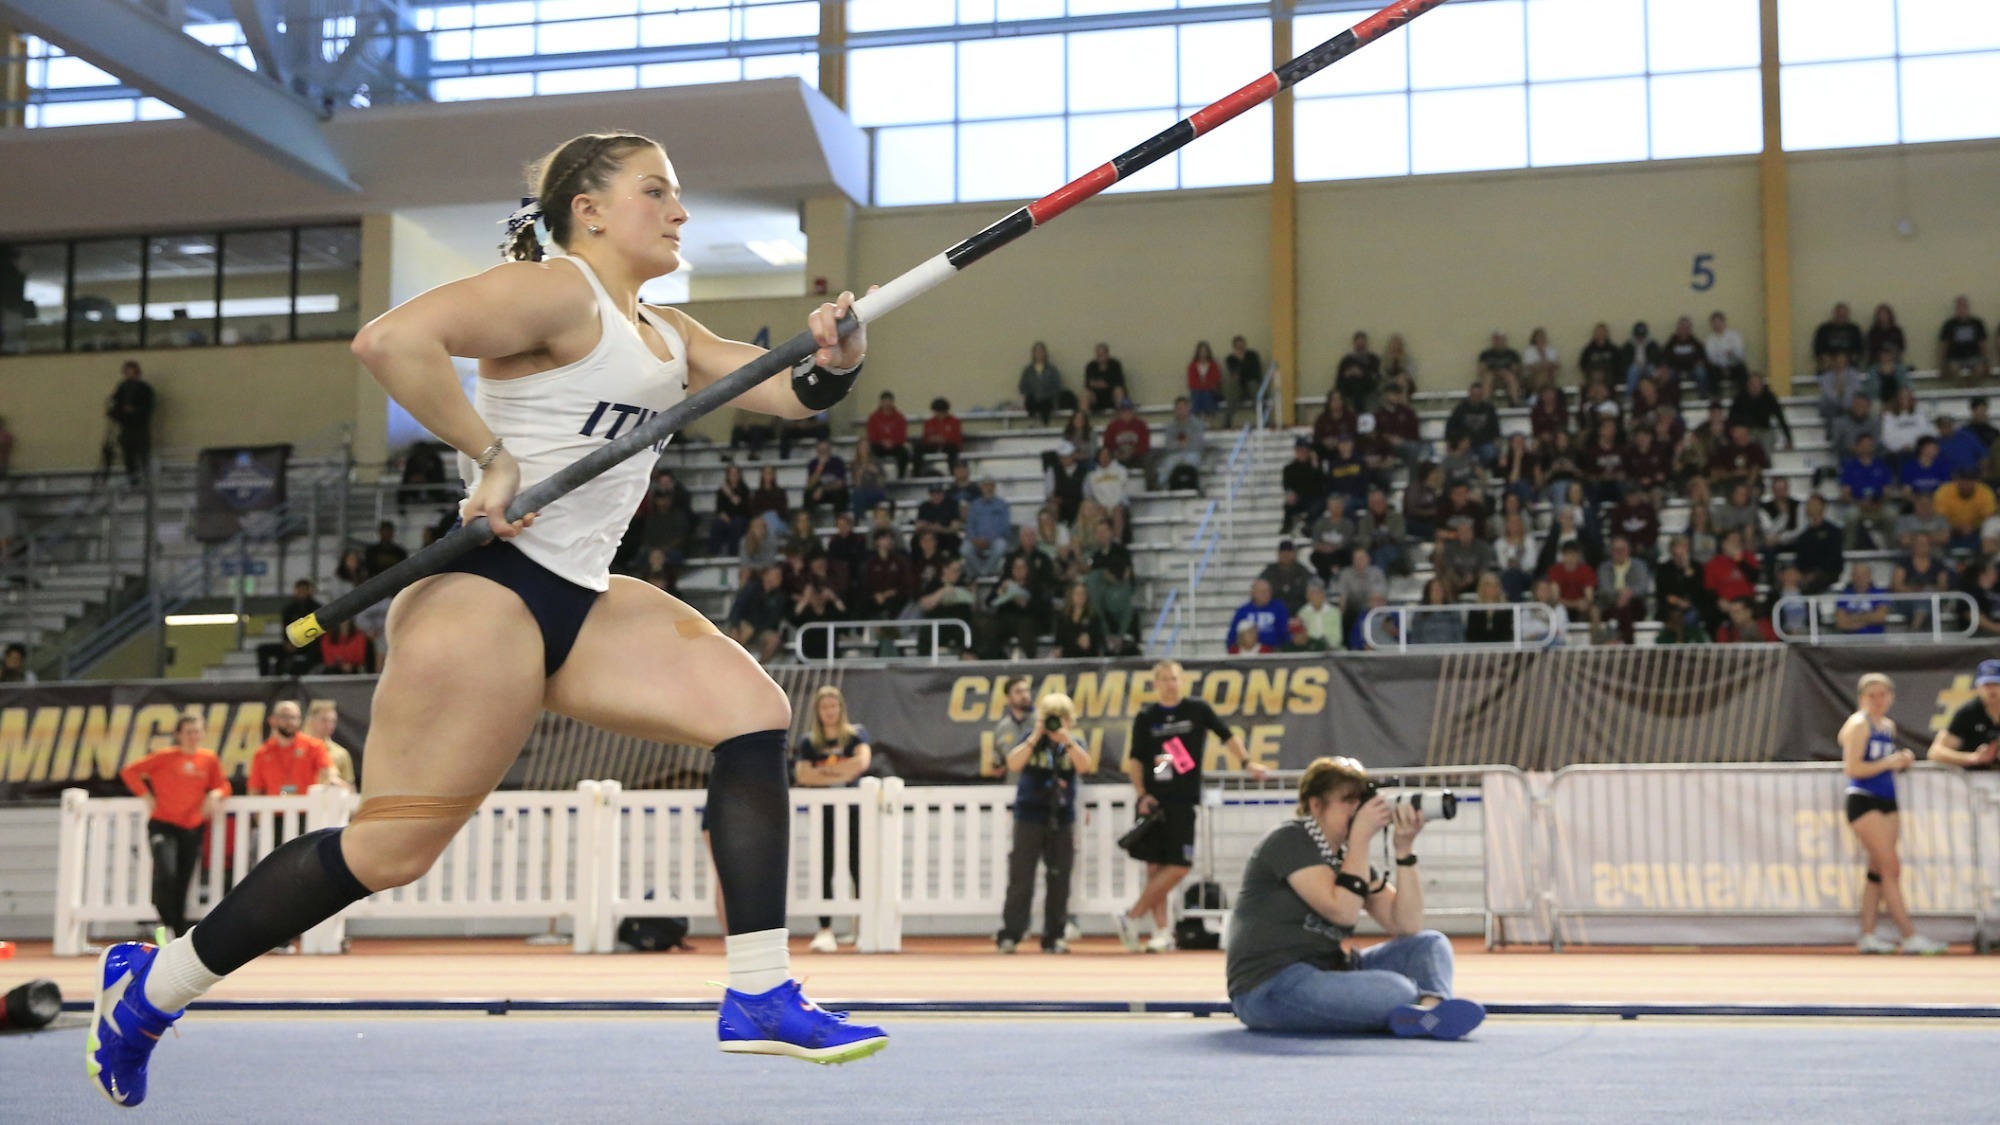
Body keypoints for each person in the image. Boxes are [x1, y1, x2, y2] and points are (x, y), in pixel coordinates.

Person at [87, 133, 887, 1109]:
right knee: (389, 852)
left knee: (752, 715)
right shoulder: (556, 292)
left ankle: (759, 990)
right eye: (656, 191)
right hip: (491, 591)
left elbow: (786, 389)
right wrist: (488, 455)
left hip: (584, 594)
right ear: (588, 210)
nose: (679, 212)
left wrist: (836, 358)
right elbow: (389, 341)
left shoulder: (670, 335)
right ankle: (153, 988)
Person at [1227, 756, 1483, 1038]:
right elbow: (1343, 911)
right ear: (1315, 805)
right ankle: (1419, 1008)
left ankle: (1430, 1011)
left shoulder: (1348, 859)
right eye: (1348, 800)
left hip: (1329, 971)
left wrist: (1404, 850)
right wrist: (1360, 838)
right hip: (1270, 986)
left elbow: (1406, 925)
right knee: (1396, 990)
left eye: (1361, 800)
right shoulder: (1290, 840)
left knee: (1429, 945)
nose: (1358, 809)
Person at [1118, 661, 1266, 953]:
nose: (1170, 683)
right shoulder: (1147, 716)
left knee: (1179, 866)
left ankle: (1132, 915)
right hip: (1153, 802)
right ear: (1156, 683)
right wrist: (1141, 794)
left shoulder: (1197, 709)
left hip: (1183, 800)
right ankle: (1161, 932)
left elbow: (1226, 735)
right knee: (1155, 866)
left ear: (1182, 681)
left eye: (1174, 678)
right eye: (1164, 679)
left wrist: (1247, 762)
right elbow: (1136, 759)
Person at [1840, 674, 1949, 955]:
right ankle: (1909, 934)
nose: (1878, 700)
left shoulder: (1887, 726)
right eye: (1872, 695)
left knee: (1877, 869)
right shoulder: (1858, 724)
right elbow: (1853, 768)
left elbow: (1880, 763)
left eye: (1883, 694)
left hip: (1887, 799)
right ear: (1862, 698)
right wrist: (1889, 761)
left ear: (1891, 696)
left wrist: (1900, 761)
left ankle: (1868, 934)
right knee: (1891, 867)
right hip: (1864, 800)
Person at [119, 713, 232, 939]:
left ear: (203, 734)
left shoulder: (208, 759)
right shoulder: (165, 756)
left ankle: (177, 929)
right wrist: (146, 795)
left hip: (191, 827)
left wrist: (216, 794)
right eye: (188, 732)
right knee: (166, 871)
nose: (193, 736)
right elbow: (129, 772)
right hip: (164, 824)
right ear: (178, 734)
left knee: (183, 878)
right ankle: (168, 921)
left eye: (197, 731)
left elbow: (223, 784)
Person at [996, 690, 1091, 955]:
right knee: (1021, 877)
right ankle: (1011, 934)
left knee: (1059, 878)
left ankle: (1054, 936)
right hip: (1029, 815)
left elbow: (1084, 766)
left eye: (1061, 717)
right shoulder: (1030, 739)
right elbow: (1013, 763)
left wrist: (1066, 740)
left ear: (1070, 719)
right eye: (1051, 717)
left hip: (1061, 817)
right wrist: (1036, 736)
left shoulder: (1074, 741)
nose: (1055, 723)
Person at [792, 686, 872, 954]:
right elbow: (803, 775)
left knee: (857, 864)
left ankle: (862, 928)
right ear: (818, 711)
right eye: (824, 707)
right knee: (825, 865)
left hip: (853, 810)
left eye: (834, 707)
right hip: (824, 811)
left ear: (841, 709)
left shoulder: (855, 734)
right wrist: (840, 772)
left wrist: (824, 771)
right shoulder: (809, 742)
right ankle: (825, 929)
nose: (830, 712)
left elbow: (860, 764)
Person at [245, 700, 333, 798]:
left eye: (294, 717)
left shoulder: (314, 746)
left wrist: (331, 779)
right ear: (273, 720)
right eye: (285, 717)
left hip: (307, 809)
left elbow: (328, 771)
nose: (291, 722)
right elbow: (255, 789)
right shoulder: (262, 753)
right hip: (274, 810)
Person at [1927, 658, 2000, 770]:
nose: (1991, 690)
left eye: (1996, 684)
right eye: (1986, 685)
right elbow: (1936, 752)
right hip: (1974, 779)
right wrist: (1973, 758)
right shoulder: (1969, 712)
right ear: (1978, 687)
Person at [107, 359, 156, 485]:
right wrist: (120, 411)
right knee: (128, 457)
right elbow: (114, 405)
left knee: (143, 455)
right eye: (127, 372)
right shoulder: (122, 388)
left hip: (140, 427)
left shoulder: (145, 389)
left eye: (132, 372)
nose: (129, 375)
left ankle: (146, 481)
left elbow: (148, 408)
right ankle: (132, 482)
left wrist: (135, 410)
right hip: (126, 427)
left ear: (137, 373)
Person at [304, 700, 357, 789]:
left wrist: (337, 782)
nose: (329, 725)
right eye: (324, 720)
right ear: (311, 721)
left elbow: (350, 787)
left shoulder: (341, 753)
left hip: (329, 800)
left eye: (333, 721)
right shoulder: (299, 748)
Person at [1937, 295, 1990, 383]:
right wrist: (1941, 365)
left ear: (1968, 307)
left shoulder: (1977, 323)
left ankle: (1971, 391)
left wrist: (1987, 363)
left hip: (1974, 357)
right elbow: (1944, 346)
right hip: (1954, 358)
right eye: (1959, 307)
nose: (1962, 309)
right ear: (1955, 309)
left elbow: (1983, 344)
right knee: (1953, 370)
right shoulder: (1949, 324)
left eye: (1964, 306)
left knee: (1979, 369)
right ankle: (1960, 392)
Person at [864, 390, 911, 478]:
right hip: (879, 446)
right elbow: (871, 435)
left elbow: (902, 435)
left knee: (904, 453)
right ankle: (877, 476)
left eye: (889, 401)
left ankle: (901, 477)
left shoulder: (900, 417)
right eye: (885, 401)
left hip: (895, 446)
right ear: (881, 402)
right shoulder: (873, 417)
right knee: (871, 452)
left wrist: (893, 442)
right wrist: (882, 442)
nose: (887, 404)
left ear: (892, 402)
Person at [917, 396, 962, 477]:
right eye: (937, 412)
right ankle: (916, 474)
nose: (939, 414)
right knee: (918, 448)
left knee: (953, 449)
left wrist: (945, 440)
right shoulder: (929, 422)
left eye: (941, 412)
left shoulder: (954, 422)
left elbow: (957, 439)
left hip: (948, 446)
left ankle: (953, 474)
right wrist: (932, 439)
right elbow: (925, 438)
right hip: (933, 446)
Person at [1083, 342, 1127, 415]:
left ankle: (1120, 418)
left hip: (1111, 396)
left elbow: (1119, 382)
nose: (1099, 357)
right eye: (1098, 355)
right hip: (1096, 397)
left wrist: (1105, 384)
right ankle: (1086, 420)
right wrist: (1099, 384)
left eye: (1102, 354)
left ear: (1107, 354)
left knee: (1119, 391)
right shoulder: (1091, 366)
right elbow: (1087, 383)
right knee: (1084, 394)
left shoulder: (1115, 365)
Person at [1186, 340, 1222, 419]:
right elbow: (1192, 383)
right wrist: (1204, 385)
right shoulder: (1192, 366)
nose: (1203, 353)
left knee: (1207, 394)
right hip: (1197, 391)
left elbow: (1216, 379)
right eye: (1201, 351)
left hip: (1211, 391)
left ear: (1208, 352)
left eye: (1205, 351)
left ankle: (1210, 417)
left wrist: (1205, 385)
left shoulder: (1213, 365)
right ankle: (1197, 417)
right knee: (1198, 394)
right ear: (1197, 352)